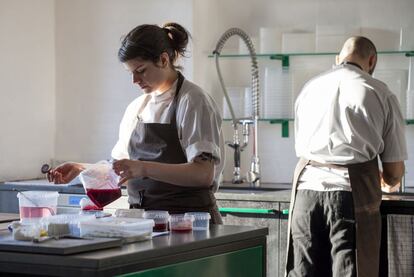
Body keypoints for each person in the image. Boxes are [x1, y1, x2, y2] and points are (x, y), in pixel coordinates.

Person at [48, 22, 224, 224]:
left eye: (141, 70)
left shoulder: (193, 101)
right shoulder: (137, 108)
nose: (135, 80)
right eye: (130, 72)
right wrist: (81, 168)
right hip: (145, 222)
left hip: (190, 222)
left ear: (164, 60)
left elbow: (202, 173)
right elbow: (122, 168)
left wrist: (144, 168)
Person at [285, 36, 407, 277]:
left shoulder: (310, 88)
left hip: (304, 197)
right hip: (350, 198)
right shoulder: (380, 92)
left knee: (303, 273)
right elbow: (393, 172)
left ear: (337, 59)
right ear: (372, 61)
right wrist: (387, 179)